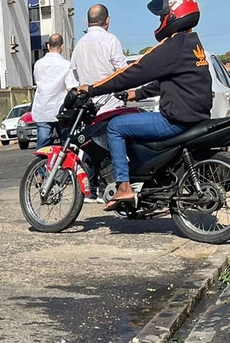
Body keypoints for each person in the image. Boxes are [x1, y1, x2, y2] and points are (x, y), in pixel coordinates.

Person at [78, 0, 213, 211]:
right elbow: (169, 81)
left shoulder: (172, 46)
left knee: (116, 127)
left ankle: (124, 186)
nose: (160, 20)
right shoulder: (192, 42)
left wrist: (93, 89)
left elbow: (133, 72)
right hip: (195, 116)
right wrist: (137, 94)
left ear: (174, 14)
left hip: (175, 120)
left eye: (162, 16)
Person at [72, 4, 127, 114]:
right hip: (111, 105)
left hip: (87, 108)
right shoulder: (110, 40)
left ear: (87, 23)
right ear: (108, 20)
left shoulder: (79, 45)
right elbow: (123, 71)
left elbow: (73, 75)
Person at [31, 33, 77, 148]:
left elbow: (37, 81)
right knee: (66, 145)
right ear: (62, 47)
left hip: (43, 109)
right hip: (60, 110)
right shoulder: (66, 65)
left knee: (43, 144)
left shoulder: (38, 64)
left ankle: (41, 164)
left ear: (48, 46)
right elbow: (71, 87)